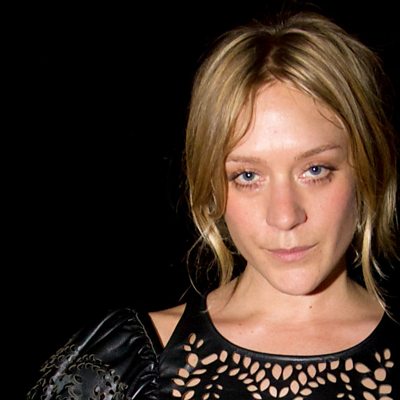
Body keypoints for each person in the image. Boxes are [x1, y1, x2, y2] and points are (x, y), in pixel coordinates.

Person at [27, 9, 399, 400]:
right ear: (211, 186)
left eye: (315, 170)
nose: (285, 216)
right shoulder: (129, 365)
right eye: (248, 176)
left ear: (368, 167)